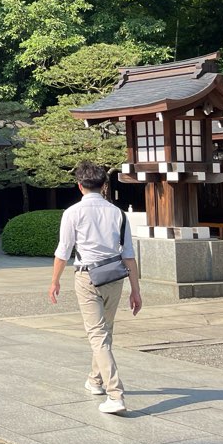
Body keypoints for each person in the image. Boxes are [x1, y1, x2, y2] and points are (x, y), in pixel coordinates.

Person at [48, 161, 142, 415]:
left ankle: (115, 394)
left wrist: (55, 280)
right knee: (104, 331)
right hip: (115, 276)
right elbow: (129, 254)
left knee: (97, 334)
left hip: (87, 276)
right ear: (104, 186)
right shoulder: (118, 213)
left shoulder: (72, 213)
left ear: (80, 186)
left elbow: (63, 251)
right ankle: (95, 380)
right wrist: (136, 289)